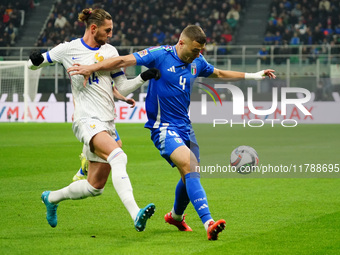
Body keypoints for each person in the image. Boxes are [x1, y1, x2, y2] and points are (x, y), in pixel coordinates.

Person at [67, 25, 276, 240]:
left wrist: (255, 75)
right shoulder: (159, 55)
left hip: (186, 127)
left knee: (190, 174)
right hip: (163, 128)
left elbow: (220, 73)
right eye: (195, 50)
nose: (198, 55)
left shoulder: (197, 61)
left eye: (201, 51)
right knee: (189, 166)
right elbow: (122, 61)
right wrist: (92, 67)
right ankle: (209, 223)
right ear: (181, 42)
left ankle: (175, 216)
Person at [28, 8, 161, 231]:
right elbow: (36, 63)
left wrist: (142, 77)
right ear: (93, 28)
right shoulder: (68, 49)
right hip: (86, 119)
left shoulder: (111, 52)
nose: (110, 35)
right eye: (107, 30)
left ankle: (50, 198)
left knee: (94, 187)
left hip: (107, 123)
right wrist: (34, 60)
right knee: (118, 156)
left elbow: (122, 87)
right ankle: (135, 213)